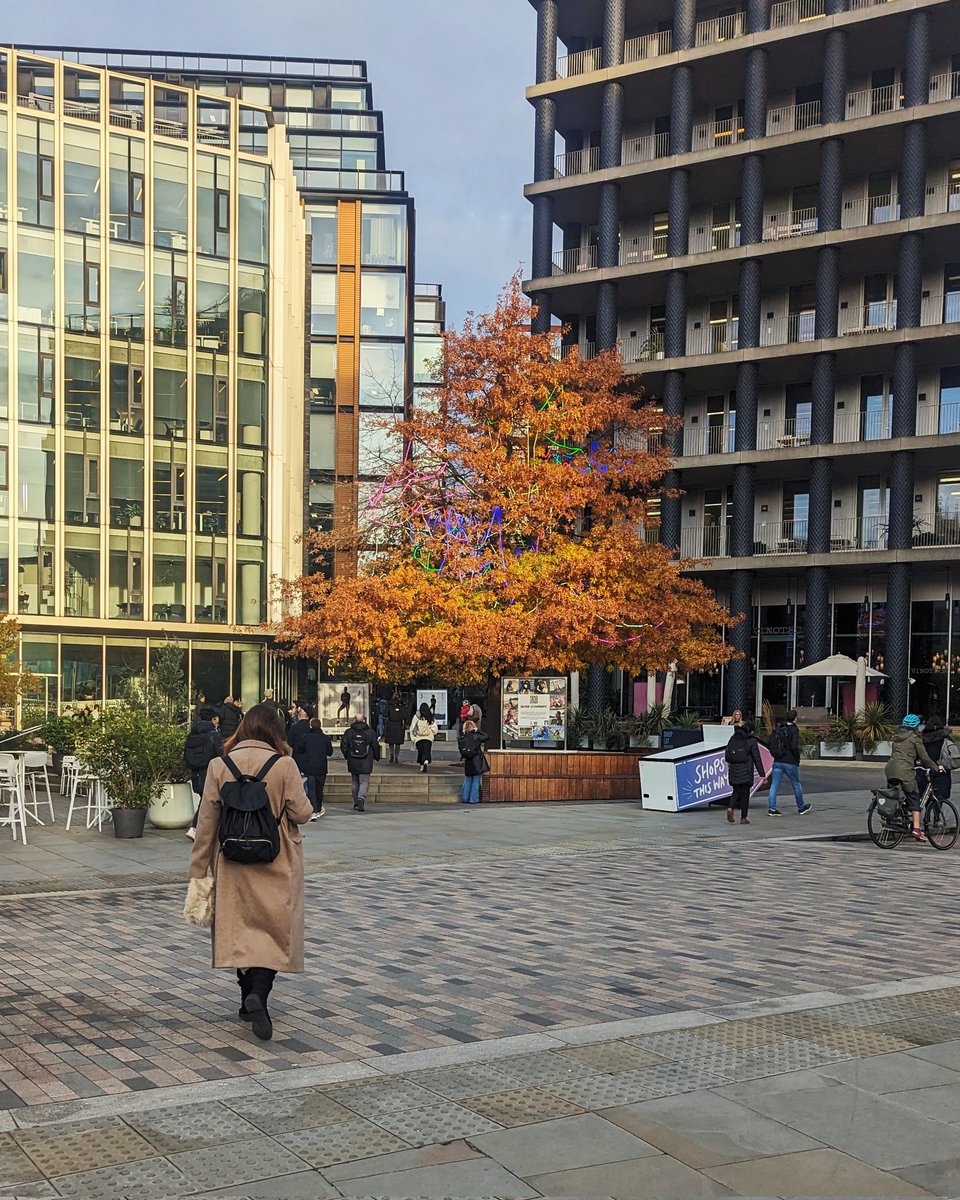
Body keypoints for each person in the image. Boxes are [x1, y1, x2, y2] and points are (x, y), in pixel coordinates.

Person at [187, 703, 313, 1040]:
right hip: (276, 862)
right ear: (275, 730)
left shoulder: (219, 765)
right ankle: (258, 994)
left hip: (232, 864)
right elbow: (302, 813)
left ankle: (247, 998)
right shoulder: (284, 765)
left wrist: (199, 869)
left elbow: (206, 823)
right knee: (272, 932)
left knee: (240, 931)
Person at [886, 713, 945, 841]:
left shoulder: (896, 737)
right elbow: (925, 758)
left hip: (890, 770)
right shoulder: (914, 738)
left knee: (895, 794)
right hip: (905, 771)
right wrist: (936, 767)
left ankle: (894, 817)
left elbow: (903, 754)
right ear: (916, 726)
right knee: (914, 799)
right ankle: (917, 830)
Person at [183, 705, 224, 841]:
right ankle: (195, 828)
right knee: (208, 801)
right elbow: (221, 754)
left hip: (196, 773)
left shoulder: (192, 734)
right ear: (213, 719)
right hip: (210, 772)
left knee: (205, 799)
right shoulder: (213, 734)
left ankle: (202, 829)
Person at [767, 709, 812, 816]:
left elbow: (770, 742)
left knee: (774, 785)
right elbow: (794, 746)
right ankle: (801, 807)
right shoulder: (794, 729)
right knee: (796, 784)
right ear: (795, 718)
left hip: (778, 760)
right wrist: (797, 759)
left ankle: (772, 808)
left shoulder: (779, 727)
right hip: (790, 761)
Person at [725, 719, 767, 825]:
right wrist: (762, 774)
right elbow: (757, 758)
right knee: (745, 794)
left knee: (735, 791)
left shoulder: (733, 738)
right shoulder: (751, 741)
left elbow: (727, 755)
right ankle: (743, 818)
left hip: (734, 769)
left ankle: (730, 808)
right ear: (751, 731)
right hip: (746, 770)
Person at [295, 717, 334, 819]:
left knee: (311, 789)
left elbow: (299, 749)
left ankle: (314, 810)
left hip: (309, 766)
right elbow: (330, 752)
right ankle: (319, 807)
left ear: (311, 726)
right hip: (321, 766)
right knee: (319, 789)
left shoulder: (306, 737)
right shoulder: (325, 738)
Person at [341, 713, 380, 812]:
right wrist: (376, 756)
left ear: (354, 720)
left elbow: (344, 745)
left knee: (354, 780)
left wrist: (347, 755)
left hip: (353, 759)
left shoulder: (349, 732)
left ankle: (356, 800)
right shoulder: (370, 732)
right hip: (366, 760)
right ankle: (361, 797)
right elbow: (375, 745)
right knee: (364, 780)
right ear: (364, 720)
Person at [917, 715, 960, 801]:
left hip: (925, 771)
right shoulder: (945, 738)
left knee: (925, 798)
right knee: (939, 798)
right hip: (941, 772)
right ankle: (936, 813)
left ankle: (927, 812)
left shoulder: (922, 739)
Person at [458, 719, 488, 804]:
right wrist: (478, 730)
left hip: (468, 760)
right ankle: (473, 799)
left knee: (467, 779)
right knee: (476, 780)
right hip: (477, 760)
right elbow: (486, 736)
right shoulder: (476, 736)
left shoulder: (461, 738)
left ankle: (465, 798)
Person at [410, 703, 439, 773]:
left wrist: (413, 738)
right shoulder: (430, 717)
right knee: (427, 751)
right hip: (428, 738)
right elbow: (435, 729)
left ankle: (422, 765)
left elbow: (412, 728)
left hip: (418, 738)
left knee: (421, 752)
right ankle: (426, 761)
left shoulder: (416, 717)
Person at [383, 691, 406, 764]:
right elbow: (405, 715)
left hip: (390, 724)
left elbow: (385, 714)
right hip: (399, 724)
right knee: (398, 742)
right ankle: (396, 757)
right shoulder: (402, 705)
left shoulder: (389, 704)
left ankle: (391, 755)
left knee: (391, 742)